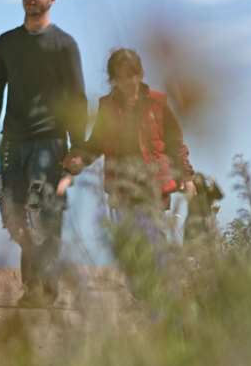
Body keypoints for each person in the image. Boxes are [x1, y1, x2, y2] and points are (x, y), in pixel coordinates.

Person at [0, 0, 86, 305]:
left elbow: (76, 99)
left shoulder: (64, 45)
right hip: (12, 142)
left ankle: (40, 288)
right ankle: (40, 280)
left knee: (43, 212)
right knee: (13, 215)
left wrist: (78, 148)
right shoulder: (6, 43)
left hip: (50, 141)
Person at [59, 48, 196, 239]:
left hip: (154, 185)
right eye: (123, 77)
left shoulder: (157, 103)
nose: (130, 82)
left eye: (133, 75)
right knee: (129, 248)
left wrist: (187, 177)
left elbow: (175, 144)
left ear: (140, 74)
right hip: (121, 186)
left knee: (156, 243)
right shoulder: (106, 106)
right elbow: (97, 143)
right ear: (113, 80)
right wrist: (77, 162)